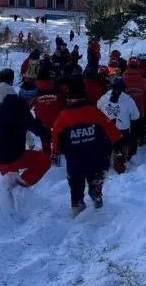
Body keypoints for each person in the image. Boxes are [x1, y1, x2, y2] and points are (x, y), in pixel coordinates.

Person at [52, 79, 121, 216]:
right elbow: (115, 134)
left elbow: (56, 146)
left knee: (75, 185)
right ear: (85, 93)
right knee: (96, 176)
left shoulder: (61, 120)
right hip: (97, 159)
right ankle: (96, 194)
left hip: (74, 162)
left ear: (69, 96)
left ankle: (77, 205)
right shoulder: (96, 113)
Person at [0, 71, 51, 190]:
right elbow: (40, 131)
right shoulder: (22, 112)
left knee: (11, 182)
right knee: (45, 161)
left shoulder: (3, 105)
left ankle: (9, 193)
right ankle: (20, 187)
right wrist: (58, 138)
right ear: (32, 98)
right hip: (12, 158)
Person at [97, 76, 140, 174]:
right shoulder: (129, 100)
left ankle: (104, 166)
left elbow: (97, 107)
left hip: (106, 128)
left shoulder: (104, 98)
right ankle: (120, 164)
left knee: (106, 147)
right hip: (122, 129)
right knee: (121, 146)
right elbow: (136, 116)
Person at [31, 69, 66, 163]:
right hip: (58, 119)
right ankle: (57, 150)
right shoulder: (58, 87)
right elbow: (64, 103)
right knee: (58, 133)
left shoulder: (35, 89)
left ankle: (46, 151)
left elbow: (29, 105)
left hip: (42, 121)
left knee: (44, 132)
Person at [123, 56, 146, 154]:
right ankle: (140, 142)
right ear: (138, 66)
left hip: (124, 115)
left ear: (127, 66)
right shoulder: (144, 81)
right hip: (139, 113)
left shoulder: (121, 80)